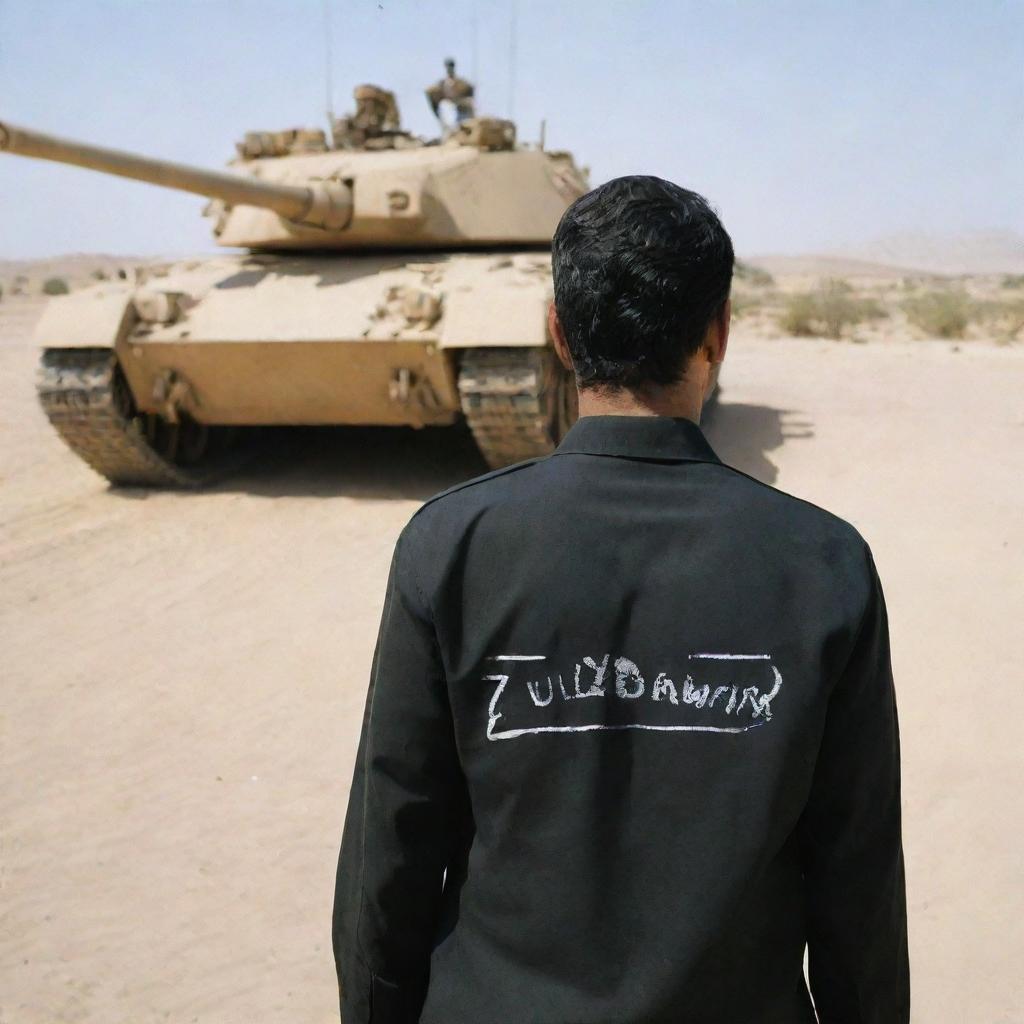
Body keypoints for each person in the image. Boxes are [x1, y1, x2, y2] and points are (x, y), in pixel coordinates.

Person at [332, 175, 909, 1023]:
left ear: (559, 334)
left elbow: (391, 857)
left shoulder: (451, 548)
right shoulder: (825, 565)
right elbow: (858, 881)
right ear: (716, 335)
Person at [425, 57, 475, 125]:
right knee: (444, 107)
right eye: (448, 66)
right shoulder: (442, 83)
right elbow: (432, 94)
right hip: (448, 104)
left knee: (470, 103)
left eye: (451, 66)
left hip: (460, 104)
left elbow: (469, 91)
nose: (450, 68)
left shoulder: (461, 82)